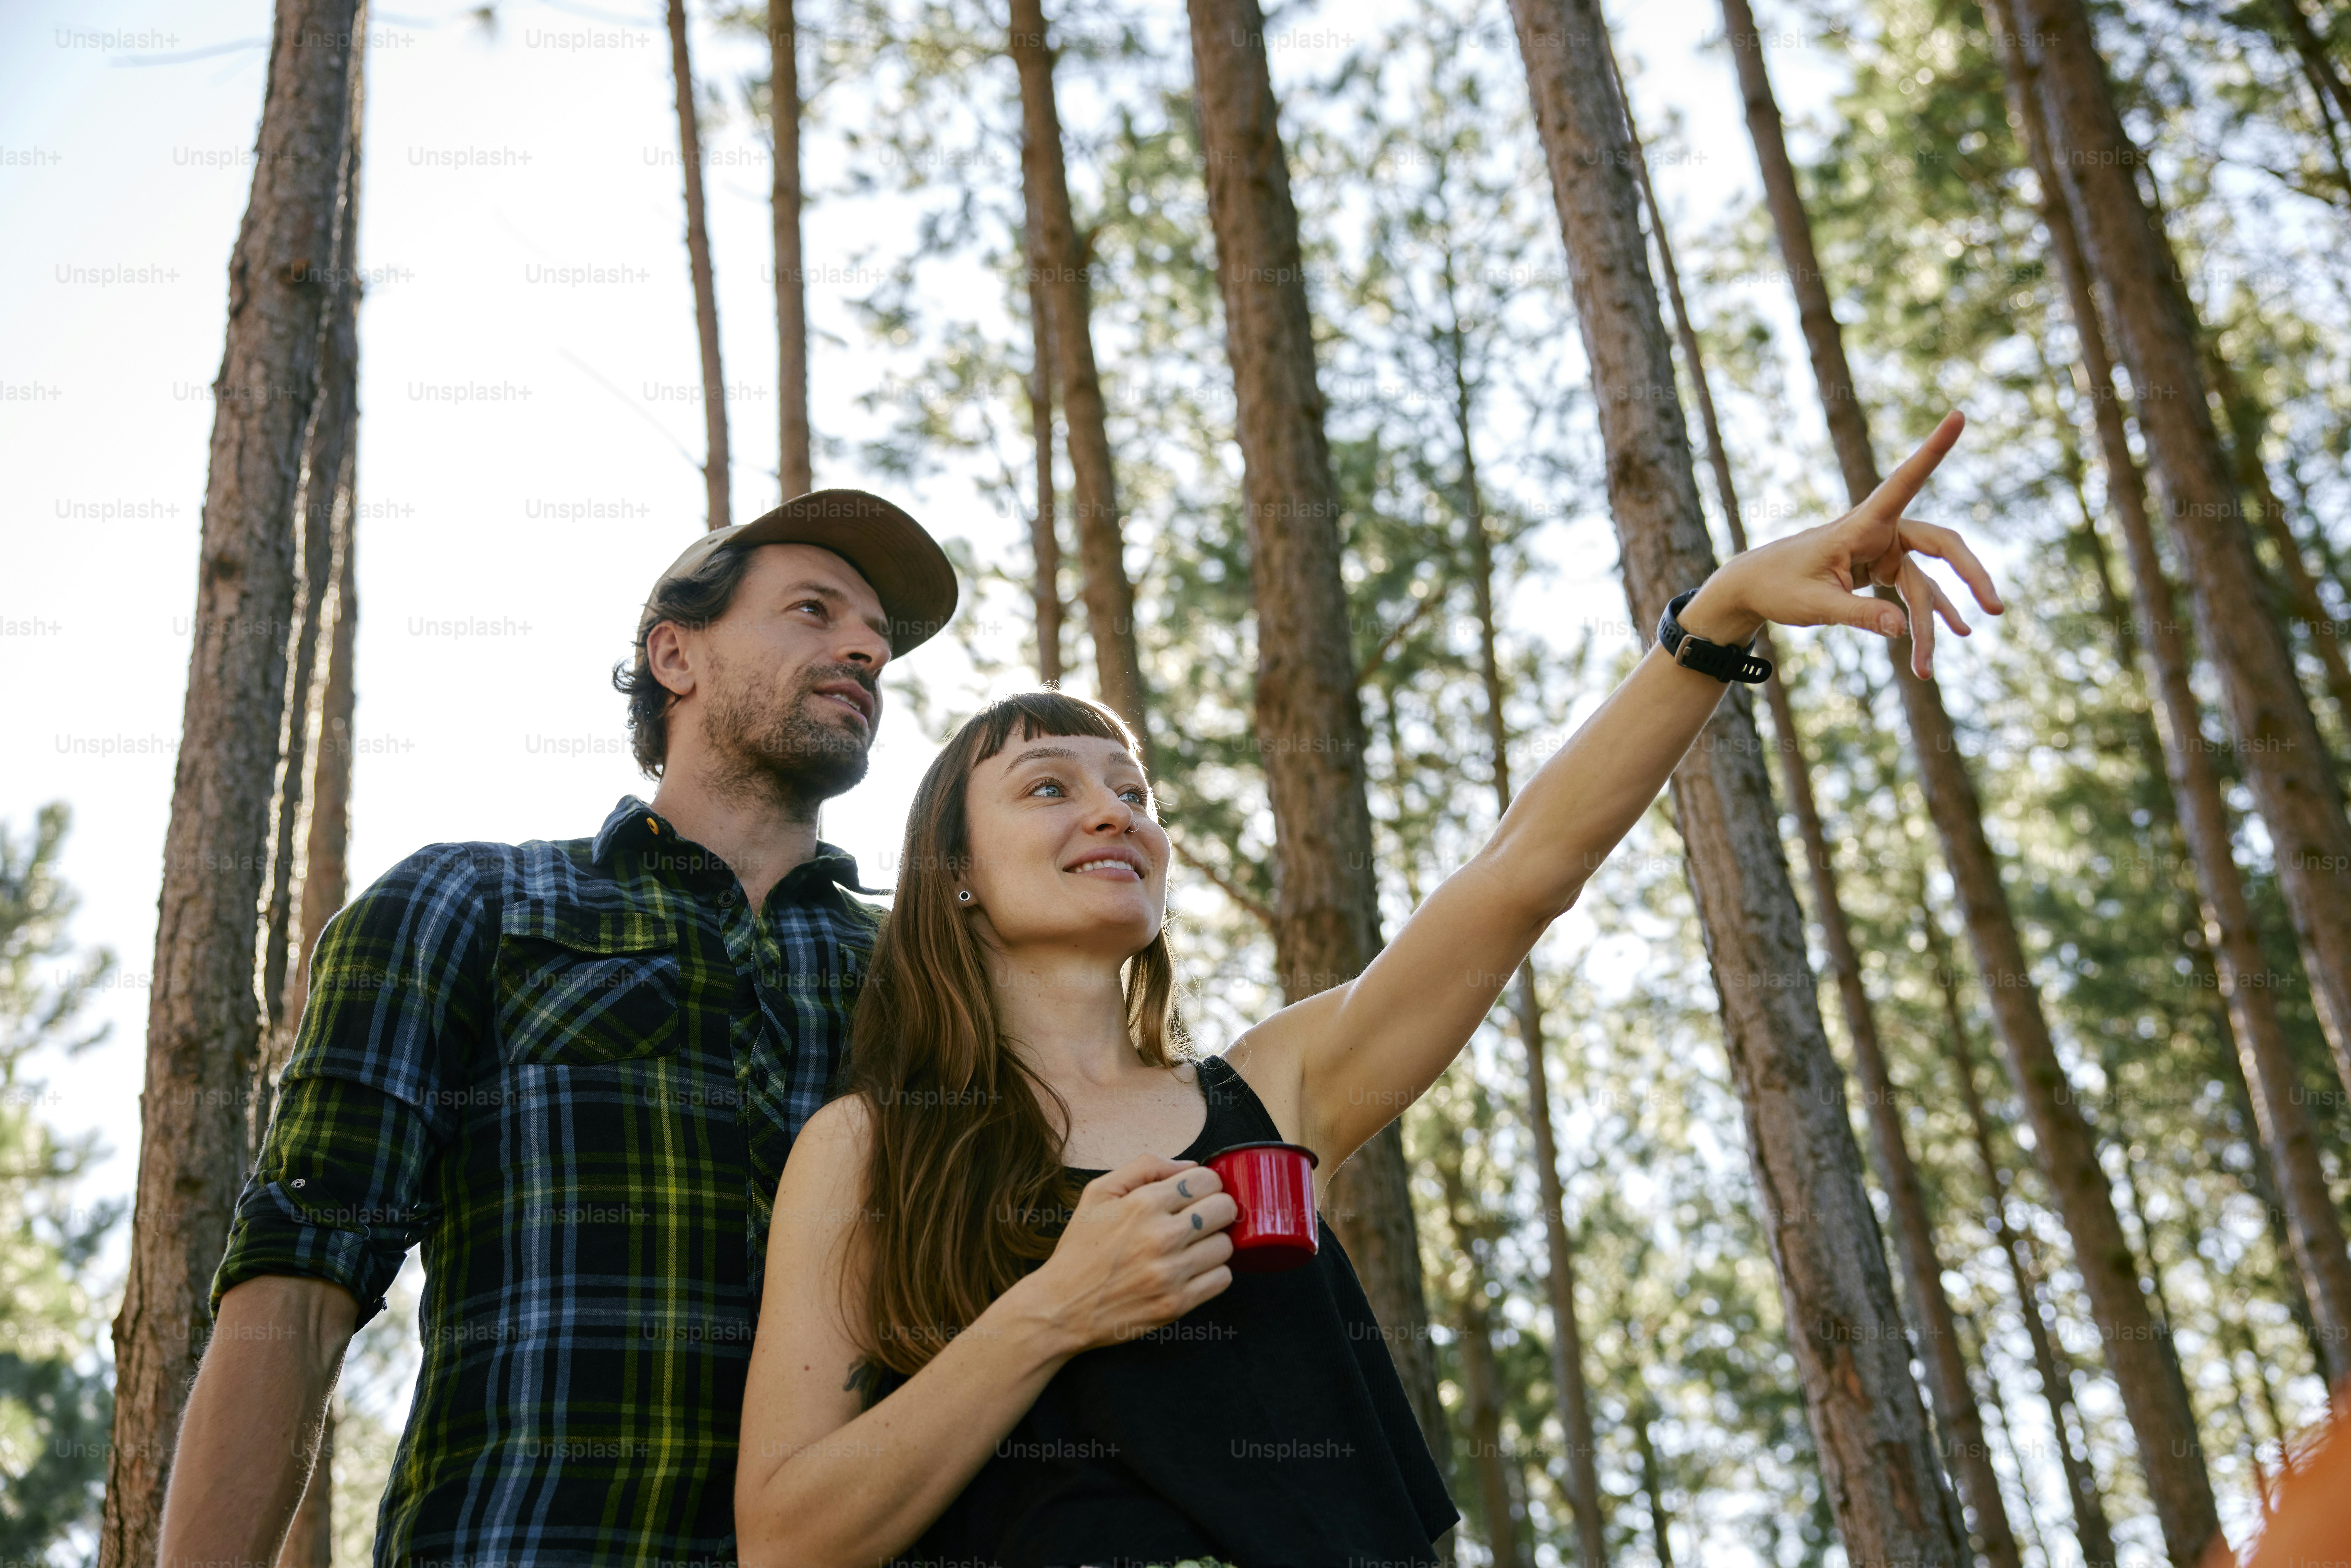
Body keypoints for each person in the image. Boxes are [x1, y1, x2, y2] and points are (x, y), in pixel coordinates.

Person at [734, 413, 2001, 1568]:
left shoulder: (1272, 1087)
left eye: (1132, 791)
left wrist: (1712, 620)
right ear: (952, 872)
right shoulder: (868, 1146)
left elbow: (1518, 875)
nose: (1115, 811)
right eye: (1049, 787)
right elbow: (788, 1536)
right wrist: (1052, 1309)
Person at [158, 492, 958, 1567]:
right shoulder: (468, 902)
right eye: (816, 611)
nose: (864, 648)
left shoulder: (928, 971)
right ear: (676, 655)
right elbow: (296, 1290)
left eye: (876, 639)